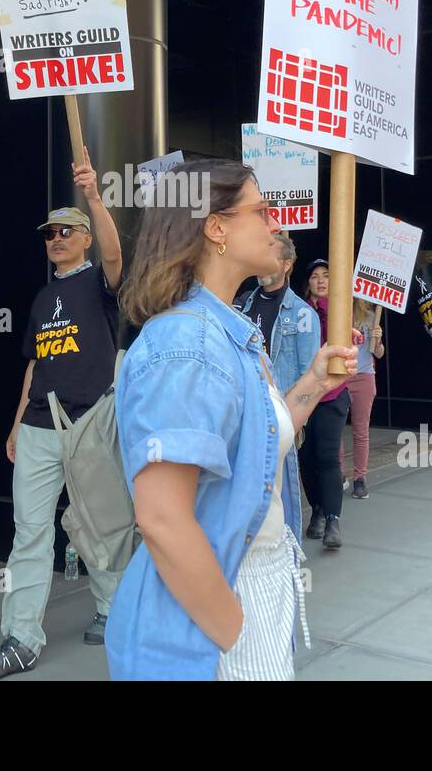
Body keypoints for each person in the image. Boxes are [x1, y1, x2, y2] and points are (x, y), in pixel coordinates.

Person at [107, 160, 356, 680]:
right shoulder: (187, 344)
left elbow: (257, 447)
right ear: (215, 227)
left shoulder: (227, 331)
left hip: (257, 581)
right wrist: (231, 625)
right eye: (263, 211)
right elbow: (162, 518)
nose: (276, 224)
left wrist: (312, 383)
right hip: (219, 600)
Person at [0, 146, 125, 679]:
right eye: (49, 234)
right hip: (40, 424)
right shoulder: (40, 299)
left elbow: (113, 254)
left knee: (99, 525)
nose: (56, 239)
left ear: (83, 237)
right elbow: (35, 366)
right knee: (29, 532)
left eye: (65, 231)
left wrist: (93, 197)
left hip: (91, 421)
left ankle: (113, 609)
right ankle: (20, 637)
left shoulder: (101, 284)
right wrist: (16, 423)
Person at [300, 259, 353, 548]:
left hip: (333, 394)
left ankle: (334, 519)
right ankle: (317, 510)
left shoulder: (340, 310)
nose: (320, 281)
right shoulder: (296, 311)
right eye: (315, 277)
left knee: (328, 457)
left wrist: (324, 306)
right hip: (305, 394)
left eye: (326, 276)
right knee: (306, 457)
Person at [238, 232, 320, 391]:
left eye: (269, 258)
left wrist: (293, 413)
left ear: (287, 264)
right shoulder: (241, 306)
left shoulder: (303, 314)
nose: (262, 264)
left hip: (282, 407)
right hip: (246, 403)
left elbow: (309, 377)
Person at [342, 299, 385, 500]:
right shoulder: (334, 315)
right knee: (335, 430)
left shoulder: (370, 318)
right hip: (338, 376)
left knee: (361, 431)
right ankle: (339, 474)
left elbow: (379, 353)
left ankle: (360, 478)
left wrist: (378, 338)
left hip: (364, 377)